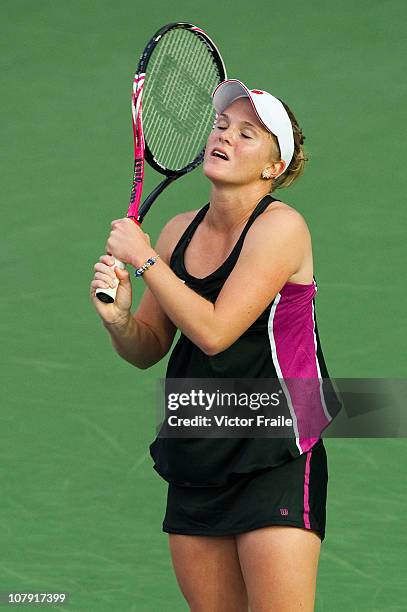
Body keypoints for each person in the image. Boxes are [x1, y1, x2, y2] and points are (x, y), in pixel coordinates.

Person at [90, 79, 336, 612]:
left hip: (277, 449)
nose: (225, 136)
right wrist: (119, 321)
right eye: (223, 125)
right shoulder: (177, 232)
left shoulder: (282, 228)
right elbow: (149, 347)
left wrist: (146, 261)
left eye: (248, 134)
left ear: (275, 168)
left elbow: (215, 332)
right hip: (198, 446)